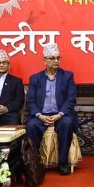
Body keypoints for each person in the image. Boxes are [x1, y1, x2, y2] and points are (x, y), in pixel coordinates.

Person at [26, 44, 77, 176]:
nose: (56, 61)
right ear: (44, 60)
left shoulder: (67, 76)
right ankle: (34, 162)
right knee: (31, 125)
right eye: (52, 58)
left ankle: (63, 162)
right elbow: (30, 101)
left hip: (60, 114)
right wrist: (39, 115)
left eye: (58, 58)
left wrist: (60, 114)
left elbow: (71, 99)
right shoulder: (35, 78)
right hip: (41, 115)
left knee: (67, 123)